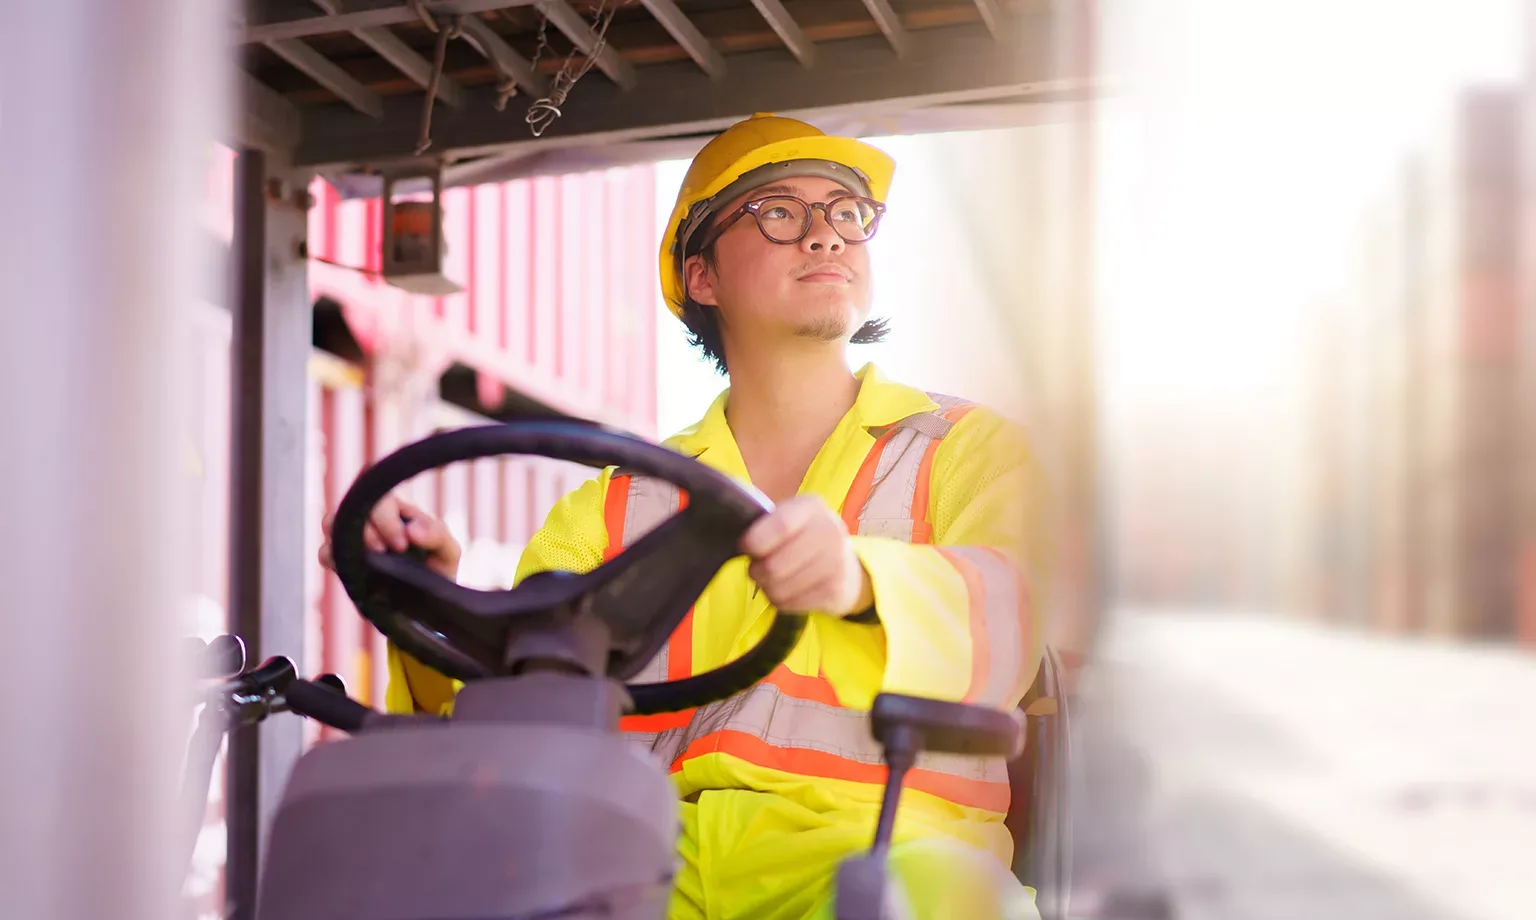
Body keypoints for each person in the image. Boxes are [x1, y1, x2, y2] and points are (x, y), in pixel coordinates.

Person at [319, 113, 1050, 920]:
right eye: (780, 212)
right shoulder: (611, 503)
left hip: (889, 849)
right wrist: (435, 607)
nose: (826, 236)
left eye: (847, 214)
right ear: (702, 277)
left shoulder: (964, 449)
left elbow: (1019, 611)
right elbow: (515, 724)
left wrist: (863, 582)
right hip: (649, 862)